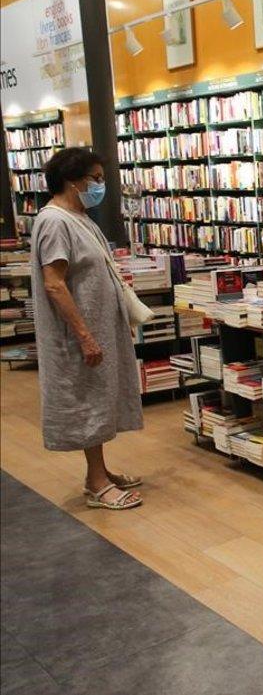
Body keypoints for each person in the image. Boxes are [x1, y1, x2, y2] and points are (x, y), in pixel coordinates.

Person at [31, 148, 145, 510]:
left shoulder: (80, 217)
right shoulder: (54, 222)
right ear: (72, 180)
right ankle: (96, 483)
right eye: (95, 178)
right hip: (78, 334)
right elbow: (54, 283)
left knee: (101, 397)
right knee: (89, 402)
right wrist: (84, 334)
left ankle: (100, 470)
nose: (101, 186)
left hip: (98, 328)